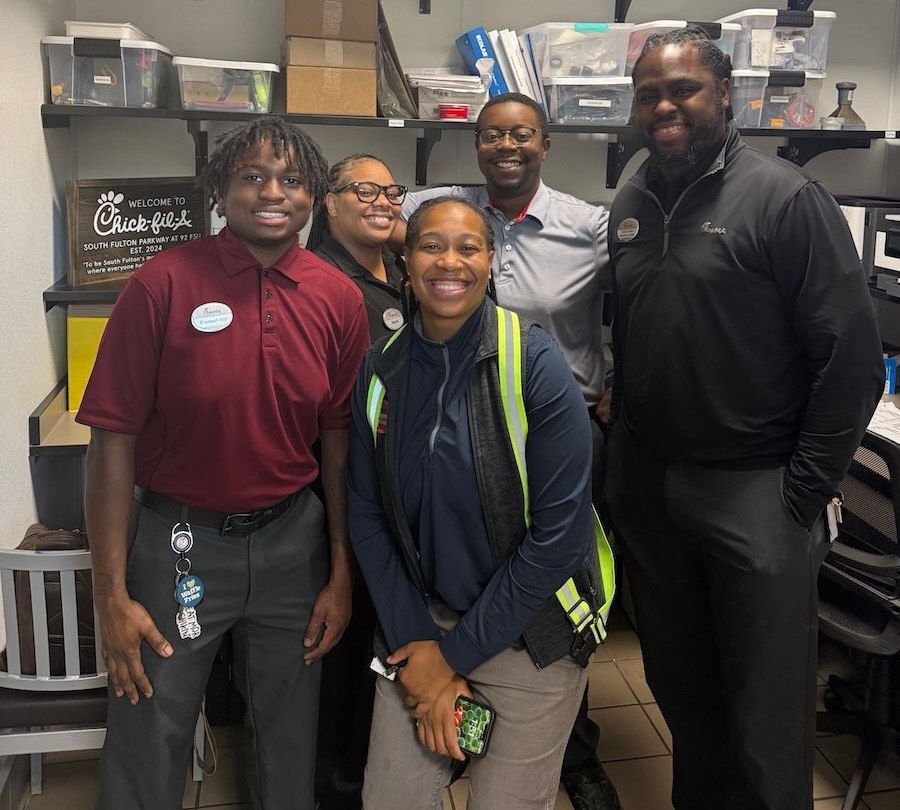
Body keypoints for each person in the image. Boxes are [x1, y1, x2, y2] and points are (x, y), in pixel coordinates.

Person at [605, 28, 885, 810]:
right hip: (651, 487)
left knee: (763, 714)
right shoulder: (630, 198)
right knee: (682, 689)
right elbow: (631, 329)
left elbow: (852, 362)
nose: (663, 106)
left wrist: (800, 495)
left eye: (683, 89)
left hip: (755, 492)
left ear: (725, 94)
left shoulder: (785, 199)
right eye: (648, 92)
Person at [77, 116, 370, 810]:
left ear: (313, 196)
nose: (273, 192)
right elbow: (110, 443)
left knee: (290, 733)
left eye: (292, 179)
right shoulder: (161, 285)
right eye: (252, 176)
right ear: (220, 188)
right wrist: (110, 594)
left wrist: (339, 570)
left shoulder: (337, 298)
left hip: (292, 544)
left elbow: (338, 441)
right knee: (151, 725)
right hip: (176, 546)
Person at [392, 92, 619, 810]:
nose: (506, 146)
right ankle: (458, 720)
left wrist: (626, 381)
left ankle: (568, 754)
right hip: (457, 424)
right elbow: (371, 203)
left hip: (561, 429)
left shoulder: (590, 228)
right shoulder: (451, 213)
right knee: (460, 581)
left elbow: (650, 304)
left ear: (545, 143)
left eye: (522, 134)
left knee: (550, 597)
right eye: (492, 136)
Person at [309, 154, 409, 809]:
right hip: (346, 495)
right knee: (344, 649)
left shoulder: (396, 268)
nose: (383, 201)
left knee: (385, 635)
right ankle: (339, 785)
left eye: (392, 191)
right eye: (364, 191)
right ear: (328, 202)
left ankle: (376, 767)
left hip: (401, 493)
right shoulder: (319, 281)